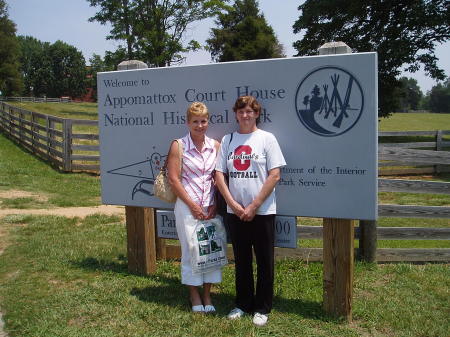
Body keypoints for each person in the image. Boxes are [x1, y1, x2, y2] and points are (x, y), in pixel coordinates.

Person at [215, 96, 286, 326]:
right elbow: (219, 175)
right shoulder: (228, 140)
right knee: (242, 260)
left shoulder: (267, 139)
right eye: (241, 111)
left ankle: (262, 307)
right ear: (236, 114)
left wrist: (254, 205)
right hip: (235, 213)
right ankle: (243, 304)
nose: (245, 115)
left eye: (250, 111)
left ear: (257, 114)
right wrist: (234, 205)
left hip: (262, 211)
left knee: (265, 261)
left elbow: (274, 175)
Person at [167, 102, 221, 314]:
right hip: (187, 207)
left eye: (203, 121)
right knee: (190, 250)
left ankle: (207, 294)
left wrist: (215, 203)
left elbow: (218, 178)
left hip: (210, 208)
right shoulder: (178, 145)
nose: (200, 125)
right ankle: (194, 294)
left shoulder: (215, 146)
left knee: (210, 250)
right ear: (188, 122)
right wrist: (193, 205)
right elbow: (173, 179)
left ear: (208, 121)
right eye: (195, 121)